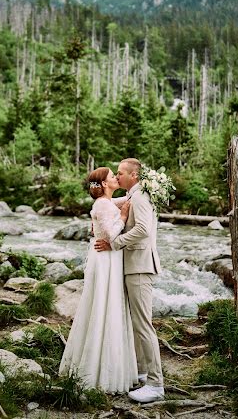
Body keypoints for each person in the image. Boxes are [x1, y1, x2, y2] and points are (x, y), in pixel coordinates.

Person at [59, 167, 138, 393]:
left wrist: (145, 187)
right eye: (112, 176)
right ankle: (98, 369)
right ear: (104, 184)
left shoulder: (108, 201)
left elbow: (127, 197)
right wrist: (123, 216)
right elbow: (111, 234)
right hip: (105, 260)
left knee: (109, 305)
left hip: (109, 259)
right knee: (104, 305)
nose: (115, 178)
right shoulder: (102, 204)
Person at [94, 158, 164, 403]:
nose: (118, 176)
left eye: (121, 173)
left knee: (144, 325)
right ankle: (143, 372)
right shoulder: (134, 195)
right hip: (133, 266)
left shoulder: (142, 196)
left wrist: (115, 242)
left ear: (134, 175)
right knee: (137, 324)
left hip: (140, 266)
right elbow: (105, 204)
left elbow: (143, 229)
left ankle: (156, 384)